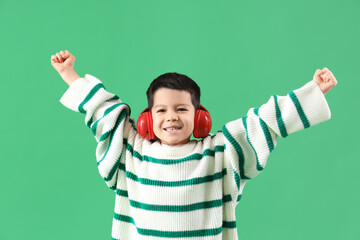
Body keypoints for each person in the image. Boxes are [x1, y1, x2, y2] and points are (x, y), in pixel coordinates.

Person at [51, 50, 337, 240]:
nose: (171, 116)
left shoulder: (220, 155)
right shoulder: (130, 152)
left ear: (201, 118)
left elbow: (265, 121)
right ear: (146, 120)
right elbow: (103, 112)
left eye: (182, 109)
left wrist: (313, 91)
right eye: (161, 110)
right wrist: (69, 74)